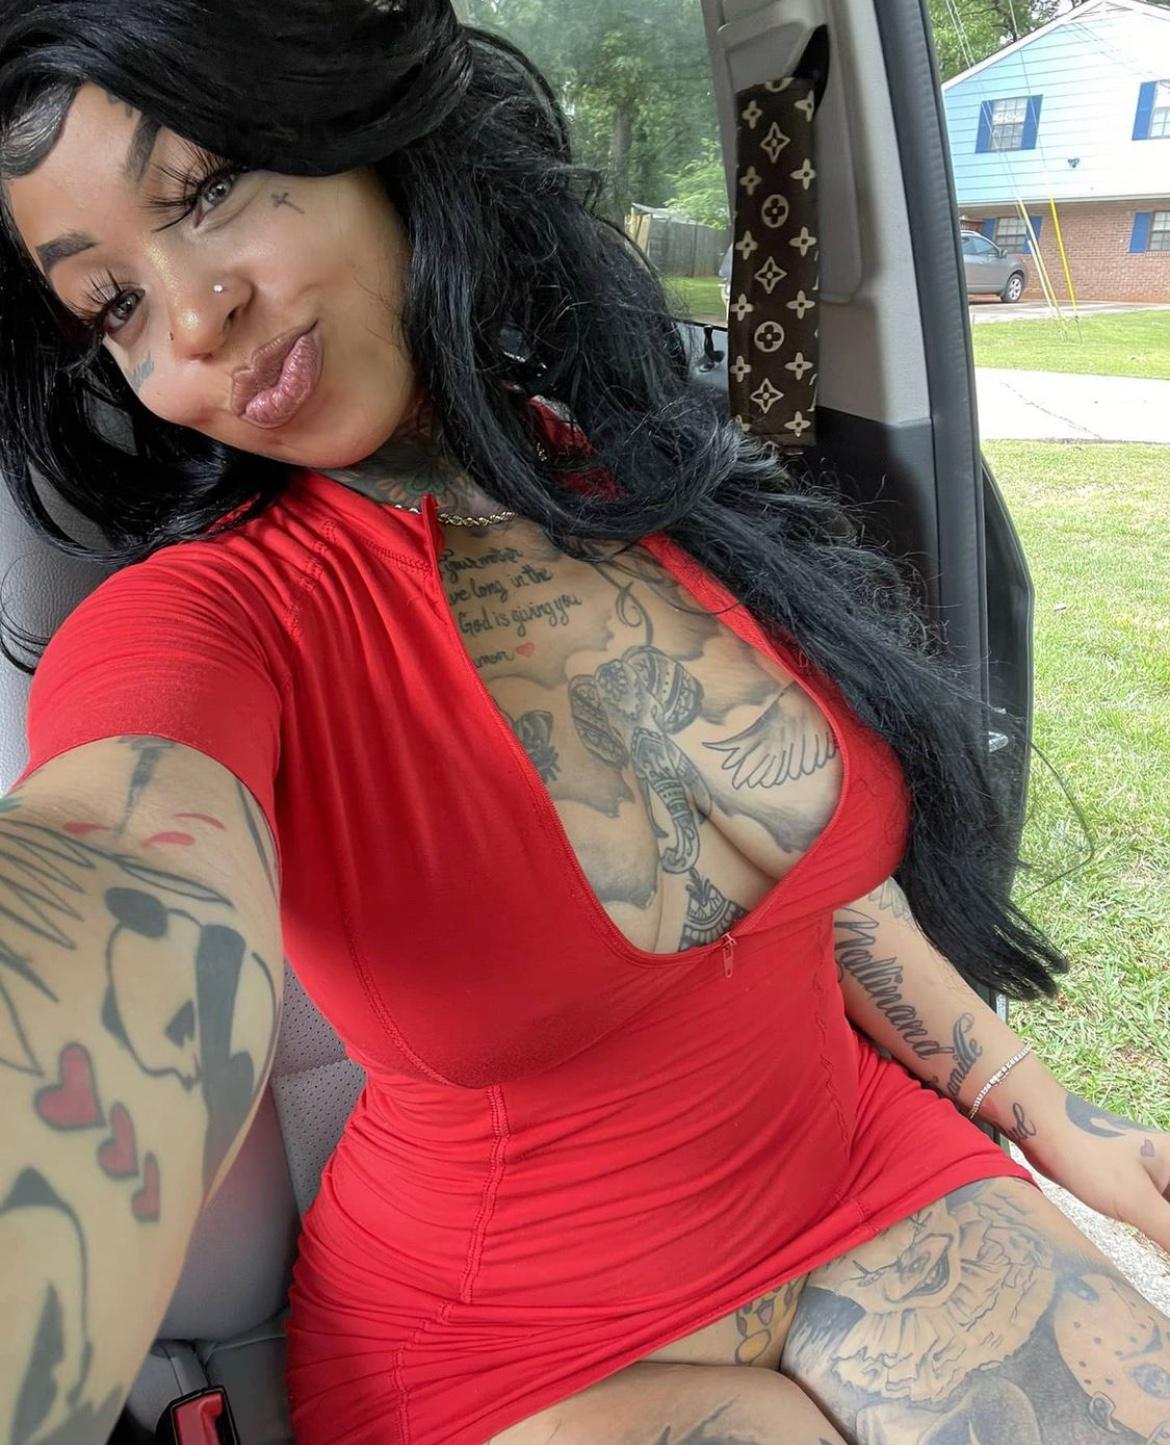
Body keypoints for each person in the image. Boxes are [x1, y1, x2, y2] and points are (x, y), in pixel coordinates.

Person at [0, 3, 1168, 1443]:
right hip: (500, 1339)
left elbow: (816, 881)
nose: (192, 319)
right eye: (111, 303)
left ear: (361, 131)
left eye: (209, 188)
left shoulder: (643, 472)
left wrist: (1039, 1106)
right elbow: (118, 874)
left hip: (860, 1168)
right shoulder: (210, 623)